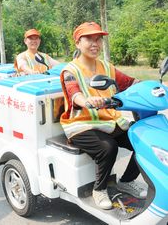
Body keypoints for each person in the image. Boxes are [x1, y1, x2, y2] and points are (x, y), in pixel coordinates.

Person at [60, 22, 147, 210]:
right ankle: (99, 190)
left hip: (108, 121)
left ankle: (126, 181)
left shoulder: (106, 67)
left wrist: (153, 88)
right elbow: (74, 93)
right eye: (89, 39)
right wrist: (87, 101)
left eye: (98, 39)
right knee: (108, 147)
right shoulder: (70, 70)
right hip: (81, 125)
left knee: (144, 141)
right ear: (77, 43)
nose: (95, 43)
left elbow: (130, 82)